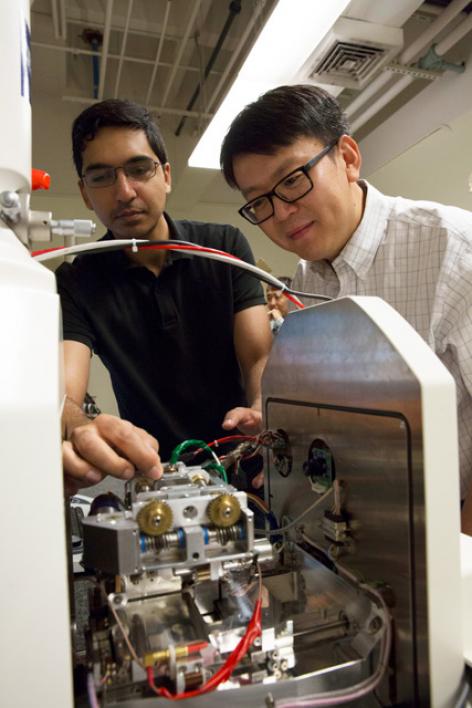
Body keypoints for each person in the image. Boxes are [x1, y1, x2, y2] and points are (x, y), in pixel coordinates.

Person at [219, 83, 472, 533]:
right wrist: (283, 424)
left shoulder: (451, 247)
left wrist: (457, 557)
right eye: (259, 202)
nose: (281, 212)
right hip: (372, 536)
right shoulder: (304, 281)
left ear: (349, 158)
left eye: (293, 180)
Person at [57, 99, 272, 496]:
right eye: (102, 177)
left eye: (139, 169)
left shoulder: (223, 246)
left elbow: (258, 355)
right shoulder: (78, 279)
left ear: (166, 175)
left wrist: (261, 406)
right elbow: (65, 395)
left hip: (247, 466)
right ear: (85, 194)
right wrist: (77, 424)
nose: (124, 192)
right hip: (156, 481)